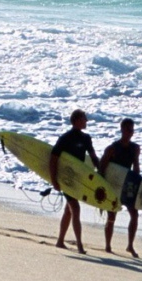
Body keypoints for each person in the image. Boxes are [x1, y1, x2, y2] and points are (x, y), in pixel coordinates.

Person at [49, 109, 100, 254]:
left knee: (69, 210)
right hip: (65, 179)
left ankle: (60, 241)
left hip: (77, 179)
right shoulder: (65, 138)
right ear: (76, 120)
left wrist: (100, 173)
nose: (87, 121)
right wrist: (54, 180)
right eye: (84, 118)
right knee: (75, 208)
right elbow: (53, 158)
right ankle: (79, 245)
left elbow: (93, 156)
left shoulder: (86, 138)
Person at [100, 117, 141, 257]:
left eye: (132, 130)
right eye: (129, 130)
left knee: (134, 214)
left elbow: (136, 170)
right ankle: (107, 246)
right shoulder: (112, 149)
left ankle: (130, 245)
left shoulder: (135, 148)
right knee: (112, 215)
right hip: (113, 185)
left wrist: (135, 159)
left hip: (128, 185)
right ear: (122, 130)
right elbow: (102, 169)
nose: (131, 133)